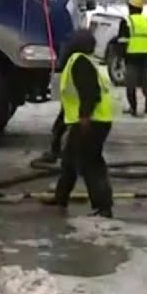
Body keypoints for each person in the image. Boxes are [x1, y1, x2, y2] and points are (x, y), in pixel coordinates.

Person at [42, 28, 114, 217]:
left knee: (90, 163)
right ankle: (61, 197)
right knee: (69, 160)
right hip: (92, 120)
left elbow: (90, 93)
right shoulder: (82, 61)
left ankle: (103, 206)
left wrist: (84, 117)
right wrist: (60, 126)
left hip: (92, 121)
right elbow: (71, 99)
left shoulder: (80, 62)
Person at [116, 0, 147, 115]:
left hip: (131, 56)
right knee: (143, 81)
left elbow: (122, 41)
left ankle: (133, 107)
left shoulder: (126, 21)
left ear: (130, 8)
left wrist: (119, 58)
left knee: (130, 83)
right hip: (145, 56)